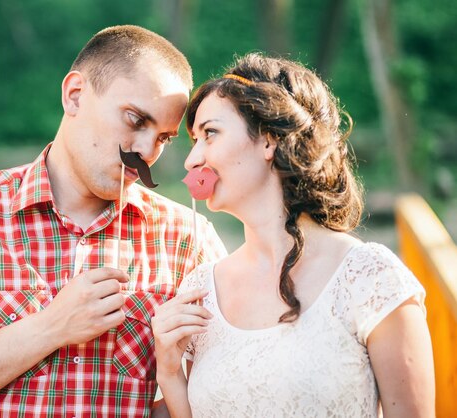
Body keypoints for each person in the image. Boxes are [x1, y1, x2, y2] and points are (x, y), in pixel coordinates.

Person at [0, 25, 227, 417]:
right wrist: (51, 326)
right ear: (75, 95)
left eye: (164, 138)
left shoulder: (188, 238)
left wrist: (170, 376)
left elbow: (221, 390)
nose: (146, 151)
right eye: (134, 120)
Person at [152, 52, 435, 417]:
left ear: (269, 139)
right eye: (194, 141)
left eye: (210, 133)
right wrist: (170, 373)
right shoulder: (201, 290)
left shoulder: (369, 277)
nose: (192, 161)